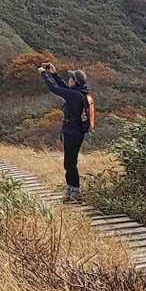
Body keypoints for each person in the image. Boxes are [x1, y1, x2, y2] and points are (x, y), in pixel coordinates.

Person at [38, 62, 92, 203]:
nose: (69, 79)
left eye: (71, 78)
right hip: (75, 132)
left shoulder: (74, 95)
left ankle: (75, 192)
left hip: (72, 133)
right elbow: (64, 88)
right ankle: (70, 190)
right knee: (69, 162)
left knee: (70, 163)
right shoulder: (79, 93)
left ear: (75, 81)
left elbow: (55, 88)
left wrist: (44, 73)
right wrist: (54, 74)